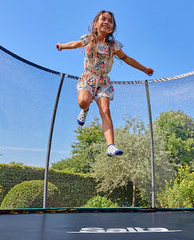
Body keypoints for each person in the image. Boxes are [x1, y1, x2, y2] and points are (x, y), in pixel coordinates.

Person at [56, 10, 154, 157]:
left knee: (105, 110)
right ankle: (85, 110)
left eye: (110, 21)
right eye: (103, 19)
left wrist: (144, 69)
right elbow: (75, 43)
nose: (106, 22)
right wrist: (62, 46)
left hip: (103, 81)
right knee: (83, 102)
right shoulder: (89, 39)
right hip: (88, 78)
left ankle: (111, 146)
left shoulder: (113, 45)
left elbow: (127, 58)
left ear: (112, 27)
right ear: (95, 24)